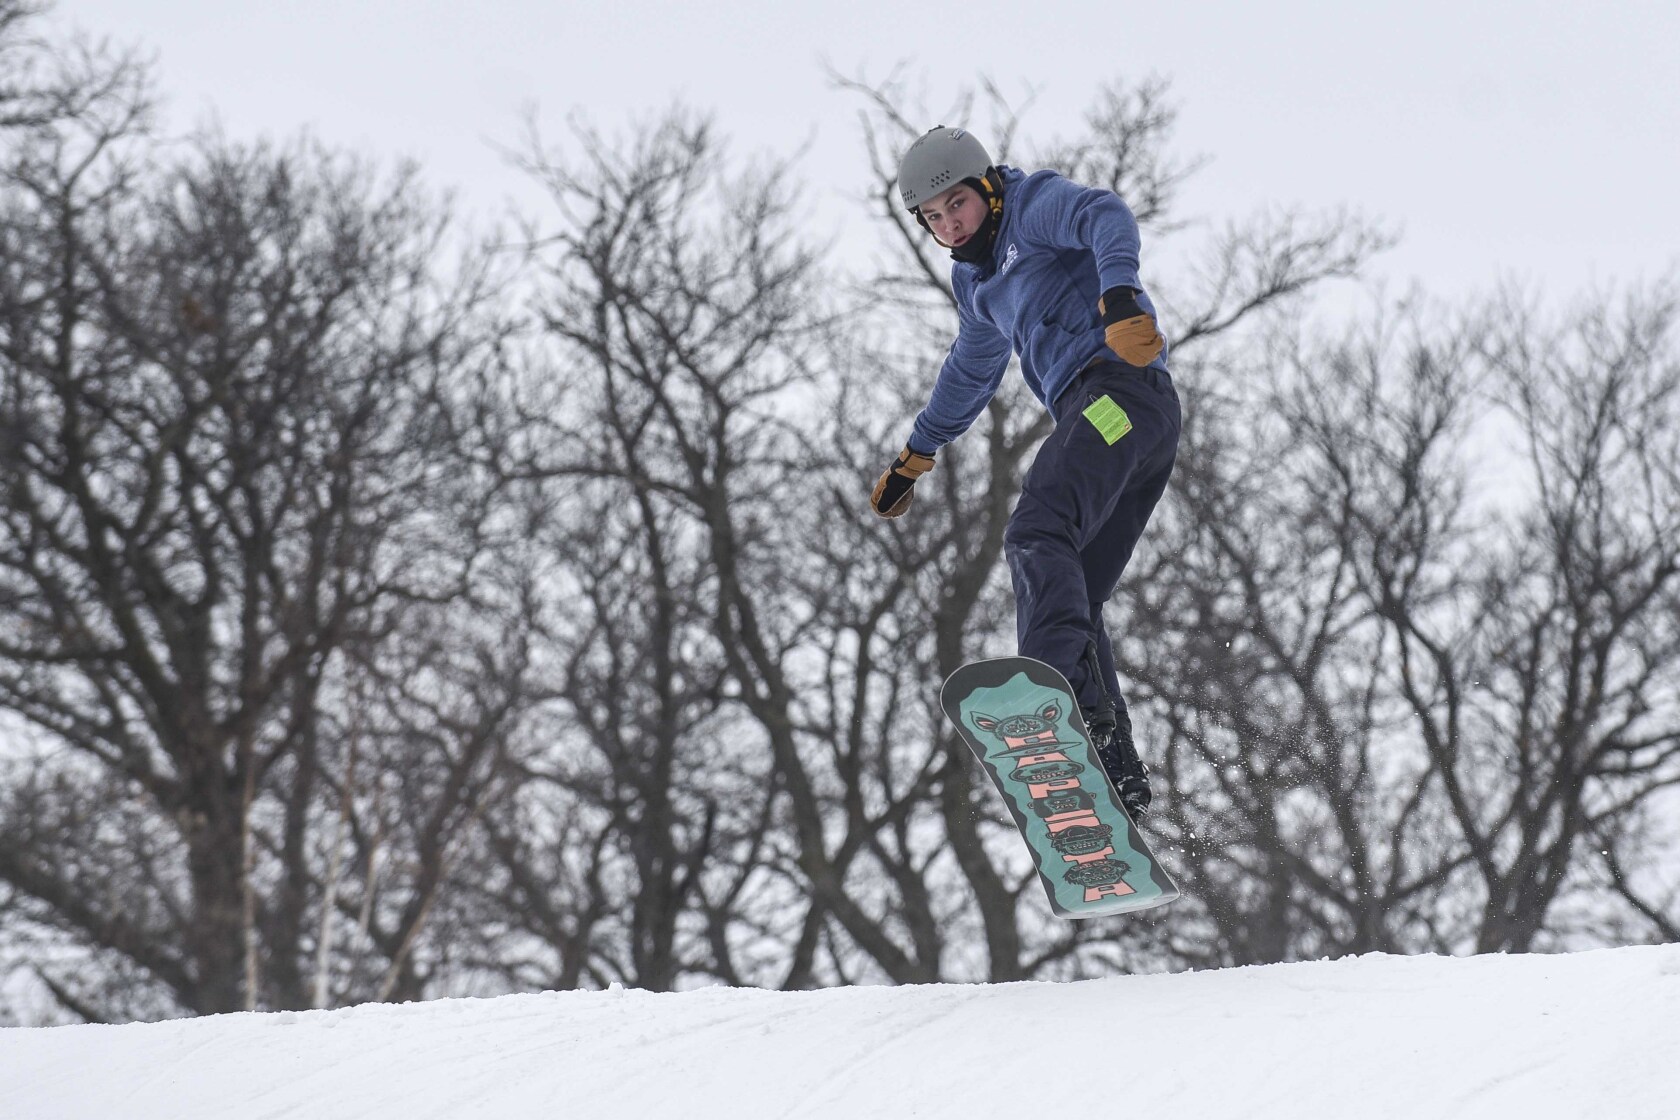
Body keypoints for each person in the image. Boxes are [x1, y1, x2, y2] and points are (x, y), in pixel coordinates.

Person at [870, 126, 1182, 819]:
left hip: (1119, 395)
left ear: (986, 188)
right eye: (933, 218)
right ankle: (1113, 768)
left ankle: (1051, 696)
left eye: (958, 204)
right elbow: (970, 371)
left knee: (1037, 530)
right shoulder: (976, 283)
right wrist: (918, 452)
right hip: (1120, 420)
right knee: (1076, 592)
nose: (951, 225)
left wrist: (1120, 295)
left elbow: (1102, 213)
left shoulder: (1031, 207)